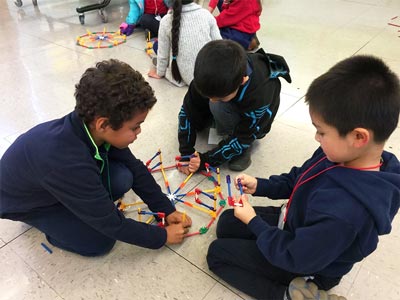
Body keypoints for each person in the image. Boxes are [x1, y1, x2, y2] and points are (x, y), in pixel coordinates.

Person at [206, 55, 400, 299]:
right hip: (296, 224)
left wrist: (255, 222)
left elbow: (295, 256)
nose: (317, 138)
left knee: (217, 254)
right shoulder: (340, 152)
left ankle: (289, 295)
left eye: (321, 131)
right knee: (227, 222)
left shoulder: (345, 213)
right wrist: (261, 186)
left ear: (358, 137)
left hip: (306, 262)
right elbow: (299, 178)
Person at [0, 59, 192, 257]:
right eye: (135, 126)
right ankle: (54, 226)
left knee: (124, 177)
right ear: (103, 124)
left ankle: (80, 205)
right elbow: (111, 224)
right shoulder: (69, 163)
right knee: (99, 242)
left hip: (53, 179)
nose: (139, 131)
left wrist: (166, 209)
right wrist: (161, 236)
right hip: (29, 203)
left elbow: (134, 168)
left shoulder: (91, 124)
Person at [177, 39, 291, 173]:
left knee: (218, 107)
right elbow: (186, 110)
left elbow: (244, 135)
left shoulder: (260, 92)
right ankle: (222, 117)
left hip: (257, 123)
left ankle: (242, 145)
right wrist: (186, 153)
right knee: (206, 107)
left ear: (243, 80)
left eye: (220, 97)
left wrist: (206, 160)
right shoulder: (205, 75)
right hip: (236, 103)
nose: (212, 100)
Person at [147, 0, 221, 87]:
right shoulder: (207, 15)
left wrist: (159, 73)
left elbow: (163, 55)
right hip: (207, 76)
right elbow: (219, 47)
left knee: (157, 45)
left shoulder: (166, 21)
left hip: (183, 76)